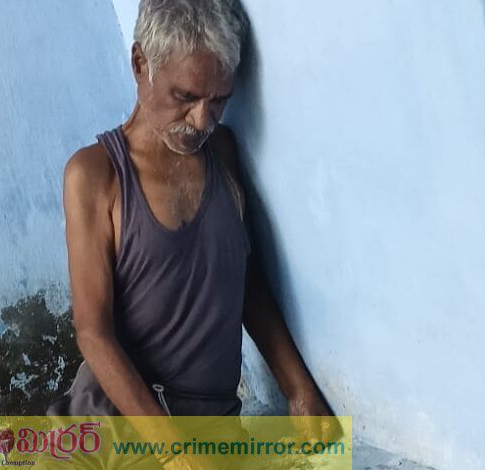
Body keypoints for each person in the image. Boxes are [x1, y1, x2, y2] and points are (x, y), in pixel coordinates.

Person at [47, 0, 332, 423]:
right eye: (185, 96)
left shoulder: (223, 153)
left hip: (211, 425)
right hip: (115, 425)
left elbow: (245, 280)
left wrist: (299, 391)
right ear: (141, 64)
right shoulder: (95, 174)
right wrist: (173, 450)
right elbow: (93, 333)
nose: (202, 120)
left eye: (219, 101)